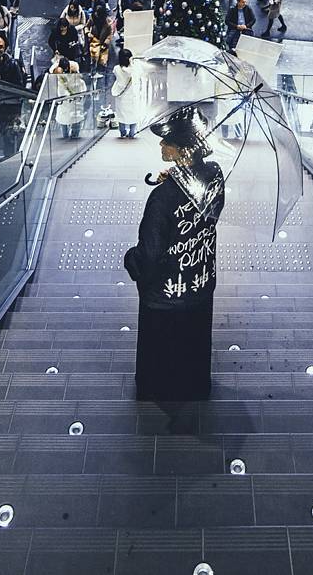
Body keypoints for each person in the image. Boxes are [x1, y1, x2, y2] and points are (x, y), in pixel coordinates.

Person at [123, 106, 225, 402]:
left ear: (183, 149)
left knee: (161, 355)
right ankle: (195, 387)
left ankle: (158, 392)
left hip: (166, 294)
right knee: (194, 344)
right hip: (200, 280)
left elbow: (149, 256)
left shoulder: (162, 199)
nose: (161, 144)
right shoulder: (214, 174)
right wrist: (178, 176)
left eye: (167, 141)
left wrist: (131, 259)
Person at [111, 46, 140, 138]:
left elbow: (117, 75)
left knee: (121, 115)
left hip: (121, 94)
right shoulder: (134, 69)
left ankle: (123, 132)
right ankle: (132, 132)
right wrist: (132, 63)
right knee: (133, 113)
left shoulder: (116, 68)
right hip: (131, 94)